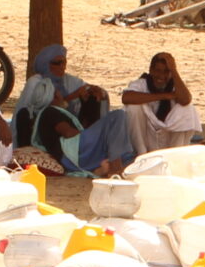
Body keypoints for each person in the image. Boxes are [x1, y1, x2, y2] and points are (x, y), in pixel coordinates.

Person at [13, 45, 131, 176]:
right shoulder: (50, 113)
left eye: (64, 62)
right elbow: (70, 134)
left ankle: (106, 166)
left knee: (124, 150)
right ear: (49, 98)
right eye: (57, 63)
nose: (62, 66)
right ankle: (114, 167)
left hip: (75, 152)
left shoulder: (54, 109)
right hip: (74, 153)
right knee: (117, 116)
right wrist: (97, 134)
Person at [121, 52, 201, 155]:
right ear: (151, 70)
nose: (161, 76)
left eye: (166, 71)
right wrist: (164, 96)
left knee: (187, 109)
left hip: (168, 140)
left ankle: (175, 155)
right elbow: (126, 98)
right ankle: (141, 154)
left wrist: (173, 70)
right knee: (133, 107)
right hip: (146, 140)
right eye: (158, 71)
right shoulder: (142, 83)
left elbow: (186, 100)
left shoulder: (174, 85)